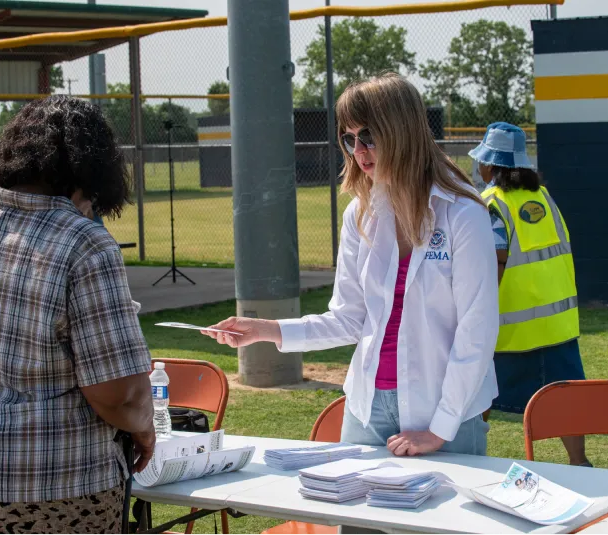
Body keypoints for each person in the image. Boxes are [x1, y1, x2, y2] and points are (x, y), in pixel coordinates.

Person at [205, 73, 499, 460]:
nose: (359, 151)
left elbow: (476, 331)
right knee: (355, 521)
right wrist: (266, 330)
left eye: (369, 136)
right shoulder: (360, 214)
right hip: (368, 409)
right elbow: (348, 319)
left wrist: (440, 428)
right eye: (349, 138)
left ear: (403, 131)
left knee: (436, 522)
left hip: (448, 414)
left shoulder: (463, 213)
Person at [0, 96, 156, 534]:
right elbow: (117, 393)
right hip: (54, 484)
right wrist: (143, 426)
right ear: (89, 171)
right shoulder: (84, 243)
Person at [470, 122, 591, 466]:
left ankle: (469, 458)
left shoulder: (492, 204)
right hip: (558, 329)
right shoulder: (543, 198)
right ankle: (580, 462)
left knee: (477, 395)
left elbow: (493, 264)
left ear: (491, 165)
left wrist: (474, 316)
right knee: (565, 399)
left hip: (510, 333)